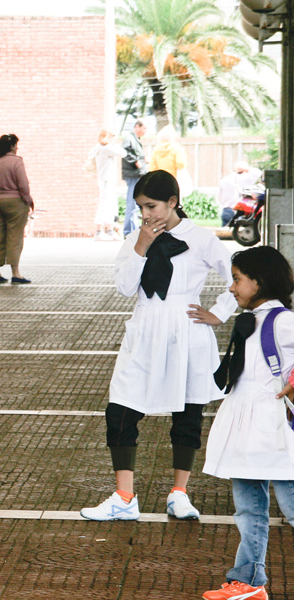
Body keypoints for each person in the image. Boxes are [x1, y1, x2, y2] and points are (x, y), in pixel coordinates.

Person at [80, 170, 237, 522]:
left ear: (172, 202)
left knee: (188, 413)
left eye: (151, 206)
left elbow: (236, 276)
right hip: (146, 326)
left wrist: (219, 312)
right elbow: (124, 288)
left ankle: (179, 493)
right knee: (121, 409)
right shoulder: (136, 238)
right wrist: (141, 247)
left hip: (187, 329)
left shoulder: (201, 238)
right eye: (140, 207)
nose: (146, 214)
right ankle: (124, 497)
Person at [201, 246, 294, 600]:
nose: (231, 287)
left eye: (237, 279)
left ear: (259, 282)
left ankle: (249, 581)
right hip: (247, 426)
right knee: (248, 509)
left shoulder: (283, 321)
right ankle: (249, 581)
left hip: (275, 429)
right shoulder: (254, 319)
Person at [0, 133, 34, 284]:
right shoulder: (16, 162)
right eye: (16, 145)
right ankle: (15, 273)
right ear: (12, 146)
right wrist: (28, 200)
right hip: (15, 202)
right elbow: (23, 184)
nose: (17, 148)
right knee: (15, 236)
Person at [88, 129, 127, 241]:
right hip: (107, 180)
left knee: (108, 204)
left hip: (104, 180)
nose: (112, 139)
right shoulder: (106, 148)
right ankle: (99, 231)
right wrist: (114, 144)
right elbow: (123, 153)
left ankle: (109, 230)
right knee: (105, 205)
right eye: (111, 136)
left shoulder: (98, 148)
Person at [121, 119, 148, 237]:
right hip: (133, 175)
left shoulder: (136, 140)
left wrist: (143, 159)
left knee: (135, 204)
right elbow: (125, 152)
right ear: (137, 127)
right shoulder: (129, 139)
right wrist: (135, 161)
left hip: (137, 175)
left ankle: (133, 231)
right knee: (131, 204)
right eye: (144, 128)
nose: (145, 131)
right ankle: (128, 232)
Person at [216, 161, 262, 227]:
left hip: (226, 210)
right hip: (240, 210)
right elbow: (258, 173)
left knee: (225, 231)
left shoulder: (225, 180)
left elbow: (219, 197)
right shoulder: (245, 178)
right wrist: (247, 169)